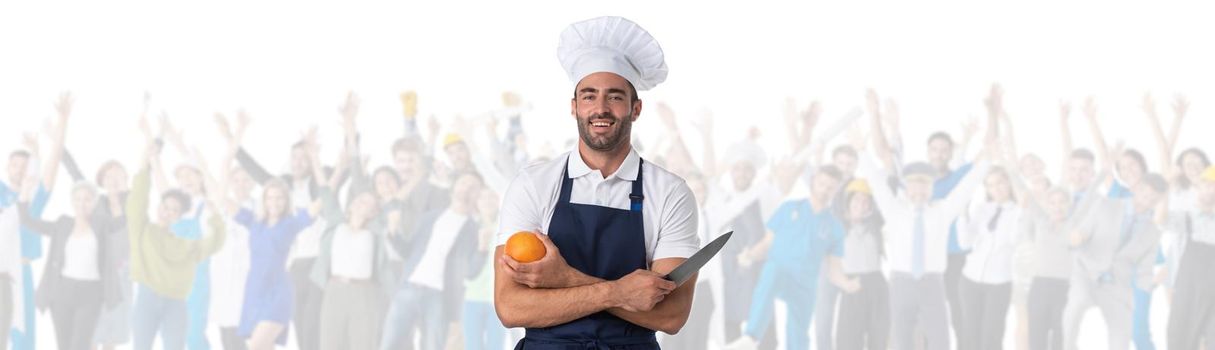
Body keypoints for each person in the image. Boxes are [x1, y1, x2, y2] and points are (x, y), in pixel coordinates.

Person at [494, 16, 700, 349]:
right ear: (574, 107)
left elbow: (671, 316)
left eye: (615, 97)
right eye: (588, 97)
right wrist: (620, 292)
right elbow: (510, 306)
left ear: (635, 109)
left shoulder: (671, 193)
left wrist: (564, 281)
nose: (600, 108)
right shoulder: (534, 184)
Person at [861, 88, 996, 350]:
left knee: (940, 338)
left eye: (924, 185)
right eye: (914, 185)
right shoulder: (896, 210)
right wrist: (862, 150)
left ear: (932, 188)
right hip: (900, 280)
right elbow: (877, 181)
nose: (919, 190)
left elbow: (971, 182)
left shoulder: (943, 210)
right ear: (905, 188)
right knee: (901, 338)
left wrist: (989, 156)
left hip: (934, 280)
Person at [724, 165, 848, 350]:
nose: (825, 190)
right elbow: (767, 243)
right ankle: (751, 336)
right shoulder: (789, 208)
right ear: (814, 181)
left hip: (805, 283)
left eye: (831, 187)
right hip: (780, 270)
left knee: (798, 332)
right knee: (770, 274)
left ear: (836, 190)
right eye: (822, 184)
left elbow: (834, 267)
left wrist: (848, 284)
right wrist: (749, 255)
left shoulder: (835, 227)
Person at [127, 133, 227, 350]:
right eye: (181, 176)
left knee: (192, 337)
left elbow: (214, 241)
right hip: (153, 293)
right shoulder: (151, 226)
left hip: (191, 285)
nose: (169, 212)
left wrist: (216, 218)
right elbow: (146, 193)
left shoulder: (201, 212)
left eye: (190, 175)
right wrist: (150, 157)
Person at [1061, 173, 1168, 350]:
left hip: (1117, 283)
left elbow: (1144, 269)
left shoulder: (1153, 232)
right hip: (1086, 271)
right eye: (1145, 194)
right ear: (1138, 188)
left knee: (1122, 333)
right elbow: (1083, 231)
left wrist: (1150, 286)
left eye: (1152, 199)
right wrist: (1076, 237)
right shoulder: (1105, 205)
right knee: (1077, 304)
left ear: (1158, 202)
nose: (1146, 202)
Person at [380, 172, 484, 350]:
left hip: (439, 298)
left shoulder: (475, 230)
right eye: (463, 182)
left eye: (472, 186)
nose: (466, 188)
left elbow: (471, 273)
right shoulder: (430, 217)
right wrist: (393, 230)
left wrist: (483, 248)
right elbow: (407, 251)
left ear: (477, 195)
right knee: (389, 345)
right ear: (454, 187)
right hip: (408, 288)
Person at [2, 93, 71, 350]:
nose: (20, 170)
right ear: (7, 168)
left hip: (21, 272)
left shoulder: (32, 202)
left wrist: (62, 123)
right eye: (15, 165)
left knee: (22, 339)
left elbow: (52, 168)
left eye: (25, 166)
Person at [833, 180, 889, 350]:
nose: (861, 204)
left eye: (866, 201)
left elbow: (888, 192)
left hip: (877, 283)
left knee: (879, 337)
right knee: (848, 339)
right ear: (848, 201)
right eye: (856, 199)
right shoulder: (838, 226)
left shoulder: (875, 225)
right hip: (852, 284)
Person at [1164, 165, 1215, 349]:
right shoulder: (1187, 217)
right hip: (1187, 289)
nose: (1211, 189)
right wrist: (1167, 185)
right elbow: (1160, 220)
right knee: (1179, 334)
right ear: (1198, 187)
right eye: (1207, 184)